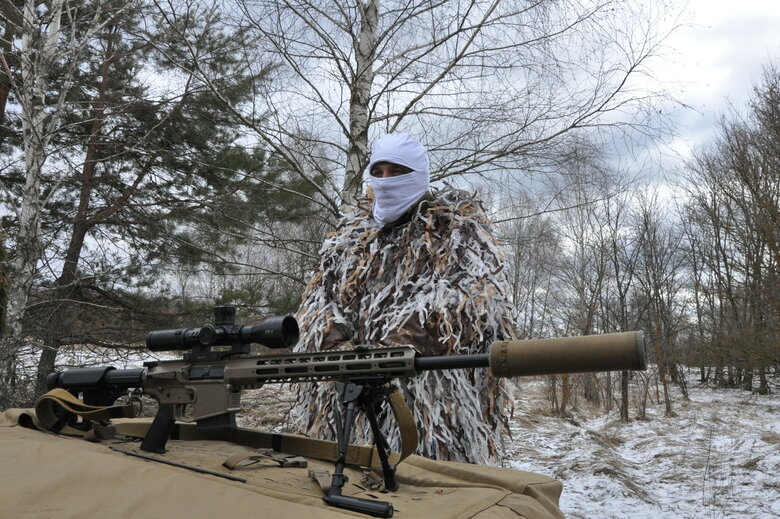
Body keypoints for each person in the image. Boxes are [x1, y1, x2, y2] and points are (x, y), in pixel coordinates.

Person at [292, 133, 515, 465]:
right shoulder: (349, 237)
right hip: (344, 399)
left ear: (418, 176)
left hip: (429, 405)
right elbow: (318, 301)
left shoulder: (457, 232)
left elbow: (475, 298)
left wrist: (397, 348)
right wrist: (336, 348)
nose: (384, 181)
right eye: (377, 171)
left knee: (422, 488)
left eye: (396, 171)